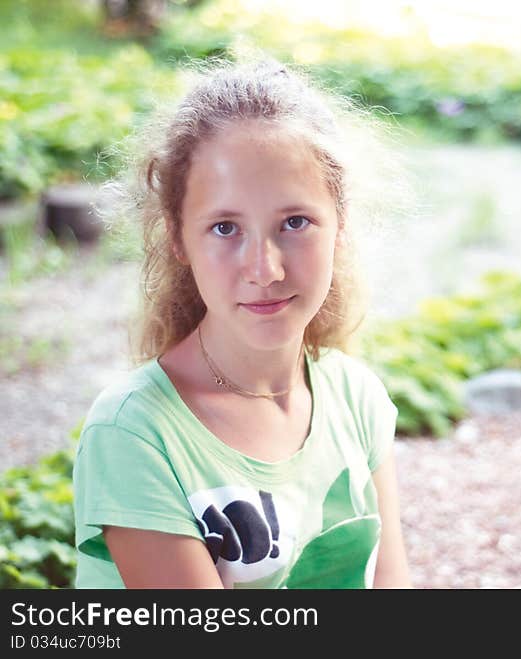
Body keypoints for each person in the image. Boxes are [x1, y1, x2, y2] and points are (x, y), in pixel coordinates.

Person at [73, 56, 412, 588]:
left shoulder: (355, 397)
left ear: (340, 225)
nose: (265, 269)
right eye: (226, 227)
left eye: (295, 222)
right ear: (178, 238)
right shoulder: (135, 433)